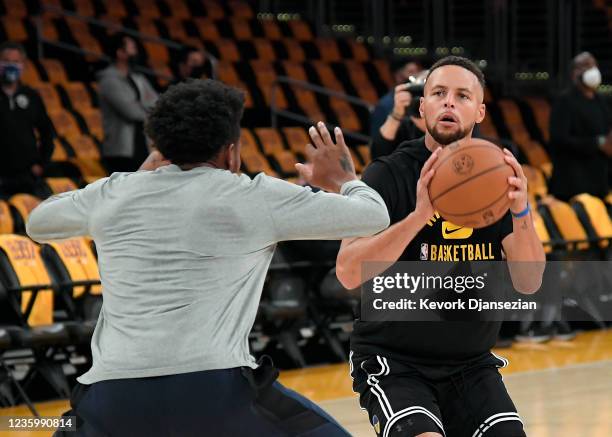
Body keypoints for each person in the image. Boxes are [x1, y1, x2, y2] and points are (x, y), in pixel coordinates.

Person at [26, 79, 390, 437]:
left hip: (113, 396)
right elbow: (374, 216)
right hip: (215, 389)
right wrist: (344, 179)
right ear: (231, 151)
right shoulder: (252, 195)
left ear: (159, 147)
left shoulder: (115, 192)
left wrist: (135, 180)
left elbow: (38, 222)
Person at [336, 56, 546, 437]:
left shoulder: (496, 177)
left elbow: (529, 281)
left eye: (463, 96)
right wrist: (419, 215)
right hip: (395, 361)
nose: (449, 102)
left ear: (480, 111)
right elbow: (348, 272)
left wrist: (521, 211)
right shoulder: (387, 174)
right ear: (422, 106)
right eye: (438, 93)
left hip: (470, 364)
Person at [549, 51, 612, 201]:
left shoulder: (601, 100)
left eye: (593, 65)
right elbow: (560, 139)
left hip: (599, 178)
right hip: (573, 182)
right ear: (574, 74)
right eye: (585, 66)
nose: (592, 69)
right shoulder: (564, 101)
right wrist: (598, 143)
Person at [98, 33, 158, 174]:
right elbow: (131, 112)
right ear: (120, 52)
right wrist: (147, 109)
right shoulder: (109, 79)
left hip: (141, 144)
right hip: (121, 149)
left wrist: (143, 107)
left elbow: (158, 103)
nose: (136, 52)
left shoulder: (138, 78)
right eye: (132, 48)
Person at [0, 42, 54, 197]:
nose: (11, 65)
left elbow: (47, 133)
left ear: (22, 65)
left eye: (15, 62)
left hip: (28, 176)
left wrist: (42, 164)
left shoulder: (32, 96)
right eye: (6, 60)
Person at [371, 70, 428, 159]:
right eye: (418, 92)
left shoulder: (451, 123)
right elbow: (379, 154)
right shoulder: (407, 124)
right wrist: (397, 113)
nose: (421, 101)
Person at [370, 57, 424, 137]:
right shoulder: (385, 105)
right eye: (411, 72)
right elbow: (377, 139)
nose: (416, 77)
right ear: (398, 76)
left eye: (417, 72)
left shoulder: (421, 100)